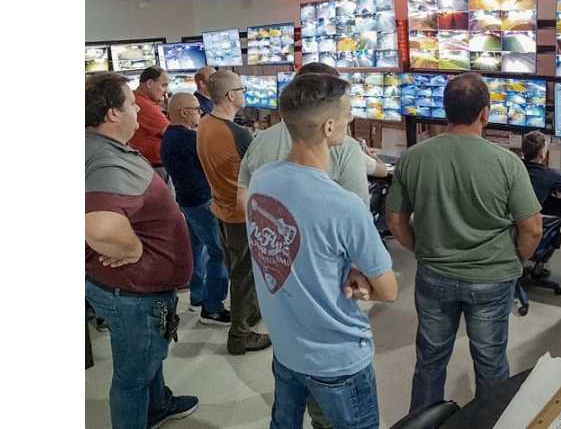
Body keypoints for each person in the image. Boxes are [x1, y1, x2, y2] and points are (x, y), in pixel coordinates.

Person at [246, 73, 397, 429]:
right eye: (347, 115)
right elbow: (388, 290)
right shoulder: (343, 205)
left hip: (286, 348)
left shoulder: (261, 179)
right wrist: (359, 274)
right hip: (337, 359)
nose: (351, 121)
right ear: (330, 127)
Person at [386, 72, 543, 411]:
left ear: (444, 111)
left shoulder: (413, 157)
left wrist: (420, 248)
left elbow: (395, 220)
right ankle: (489, 419)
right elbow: (532, 229)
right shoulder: (508, 163)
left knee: (429, 359)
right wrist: (515, 262)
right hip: (492, 278)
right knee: (490, 361)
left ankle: (422, 421)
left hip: (434, 276)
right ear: (485, 113)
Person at [85, 73, 198, 428]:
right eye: (132, 103)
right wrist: (132, 249)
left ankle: (157, 405)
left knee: (148, 357)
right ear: (113, 114)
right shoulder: (106, 160)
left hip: (126, 288)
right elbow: (99, 225)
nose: (140, 108)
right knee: (132, 376)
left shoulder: (93, 145)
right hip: (132, 291)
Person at [196, 70, 270, 355]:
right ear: (231, 95)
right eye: (241, 88)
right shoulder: (238, 133)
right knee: (244, 274)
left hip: (220, 209)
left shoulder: (204, 123)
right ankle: (239, 334)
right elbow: (261, 173)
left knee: (236, 268)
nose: (244, 93)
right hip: (241, 214)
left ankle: (248, 313)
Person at [237, 62, 369, 208]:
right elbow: (361, 216)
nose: (350, 118)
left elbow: (242, 198)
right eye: (346, 112)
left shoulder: (260, 176)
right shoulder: (348, 151)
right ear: (328, 126)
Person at [161, 92, 231, 325]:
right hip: (202, 202)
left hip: (186, 201)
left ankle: (198, 296)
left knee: (197, 248)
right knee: (219, 252)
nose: (200, 114)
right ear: (183, 112)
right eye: (197, 110)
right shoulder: (190, 139)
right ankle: (212, 308)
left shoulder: (169, 136)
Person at [129, 66, 172, 183]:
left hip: (146, 163)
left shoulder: (137, 98)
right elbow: (172, 134)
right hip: (155, 166)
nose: (166, 91)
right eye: (163, 85)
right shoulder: (144, 105)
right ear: (149, 83)